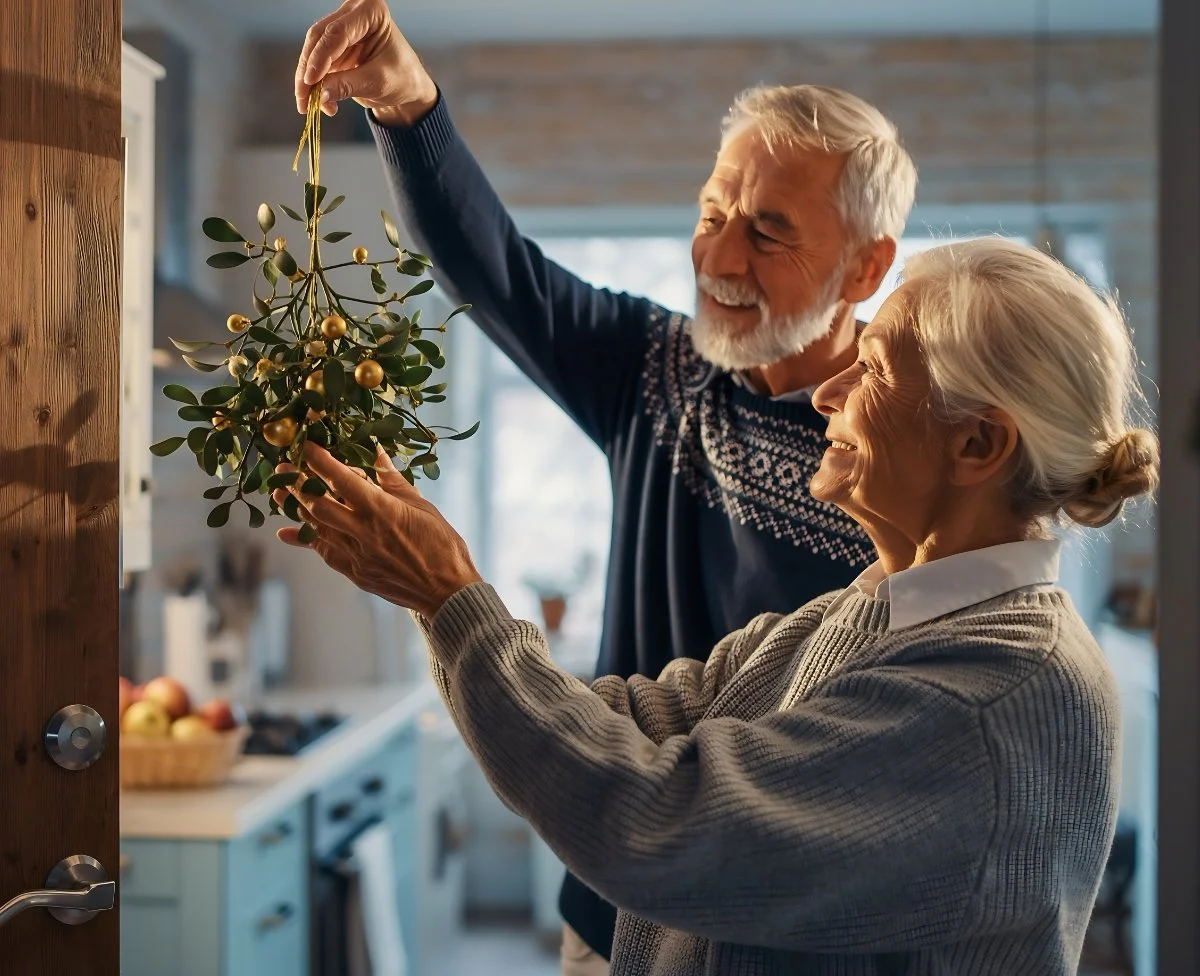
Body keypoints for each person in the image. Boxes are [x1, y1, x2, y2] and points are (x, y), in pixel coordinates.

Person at [274, 237, 1158, 975]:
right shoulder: (880, 608)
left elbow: (662, 822)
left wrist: (450, 593)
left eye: (873, 369)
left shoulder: (994, 695)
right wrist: (435, 596)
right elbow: (645, 723)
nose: (825, 394)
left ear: (977, 442)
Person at [294, 3, 918, 966]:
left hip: (780, 935)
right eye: (712, 214)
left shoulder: (894, 448)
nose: (717, 258)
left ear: (867, 264)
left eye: (767, 233)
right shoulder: (653, 368)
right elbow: (496, 272)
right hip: (610, 903)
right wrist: (408, 104)